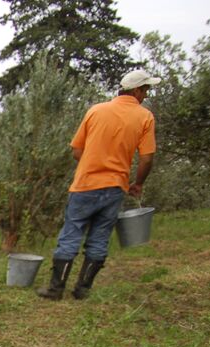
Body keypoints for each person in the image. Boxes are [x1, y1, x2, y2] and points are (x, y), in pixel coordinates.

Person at [37, 69, 160, 301]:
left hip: (85, 184)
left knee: (71, 233)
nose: (146, 94)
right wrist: (139, 184)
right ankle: (82, 290)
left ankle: (55, 289)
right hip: (116, 187)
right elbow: (147, 158)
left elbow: (76, 150)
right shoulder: (145, 117)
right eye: (145, 89)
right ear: (136, 90)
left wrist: (93, 163)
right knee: (100, 237)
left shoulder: (96, 110)